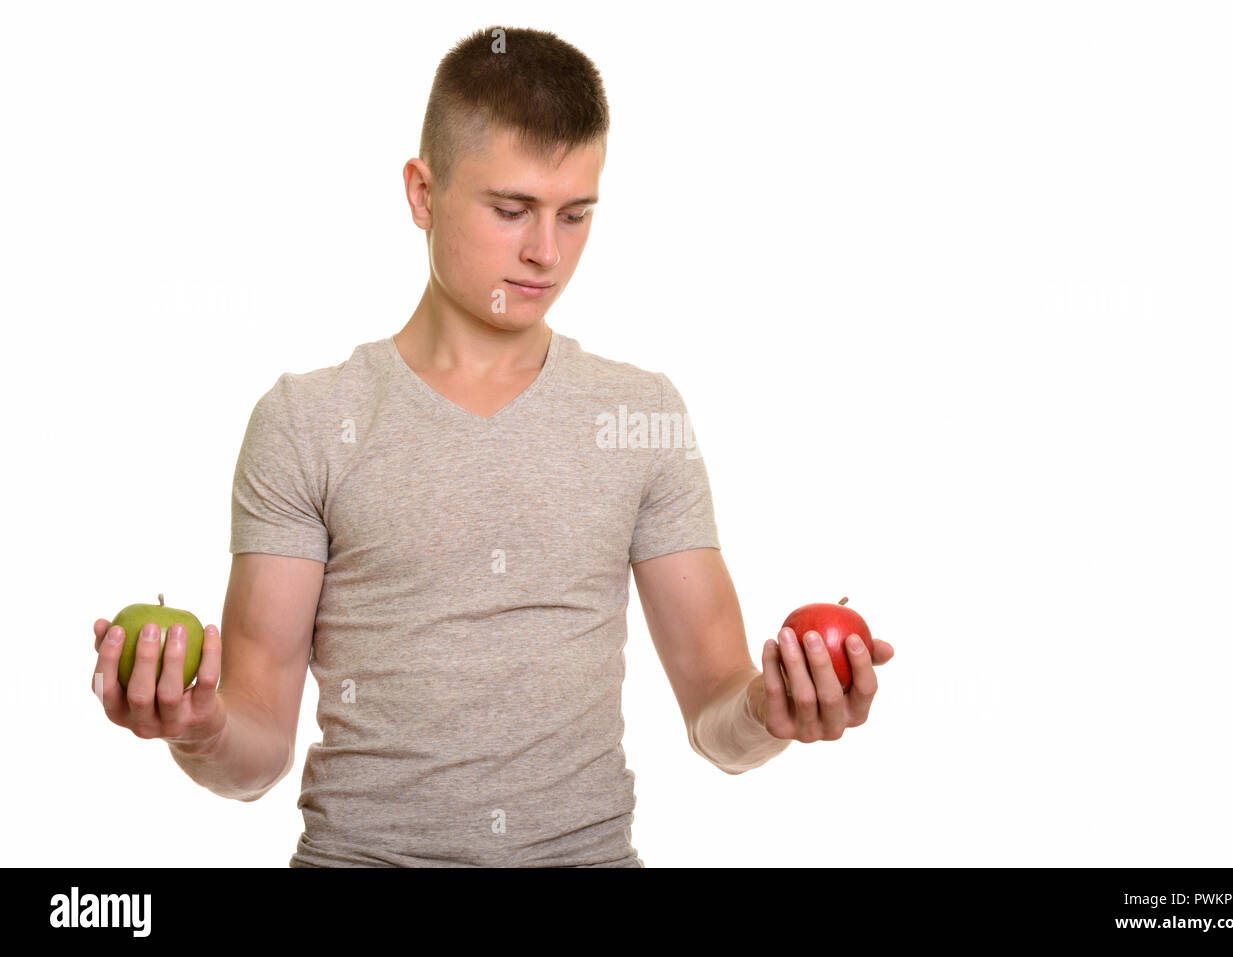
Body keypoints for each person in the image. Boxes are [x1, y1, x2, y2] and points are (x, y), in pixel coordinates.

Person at [91, 25, 893, 867]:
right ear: (422, 193)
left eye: (575, 214)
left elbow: (717, 721)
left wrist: (775, 707)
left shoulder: (642, 413)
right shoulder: (305, 419)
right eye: (511, 210)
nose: (546, 252)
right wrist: (198, 724)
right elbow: (254, 751)